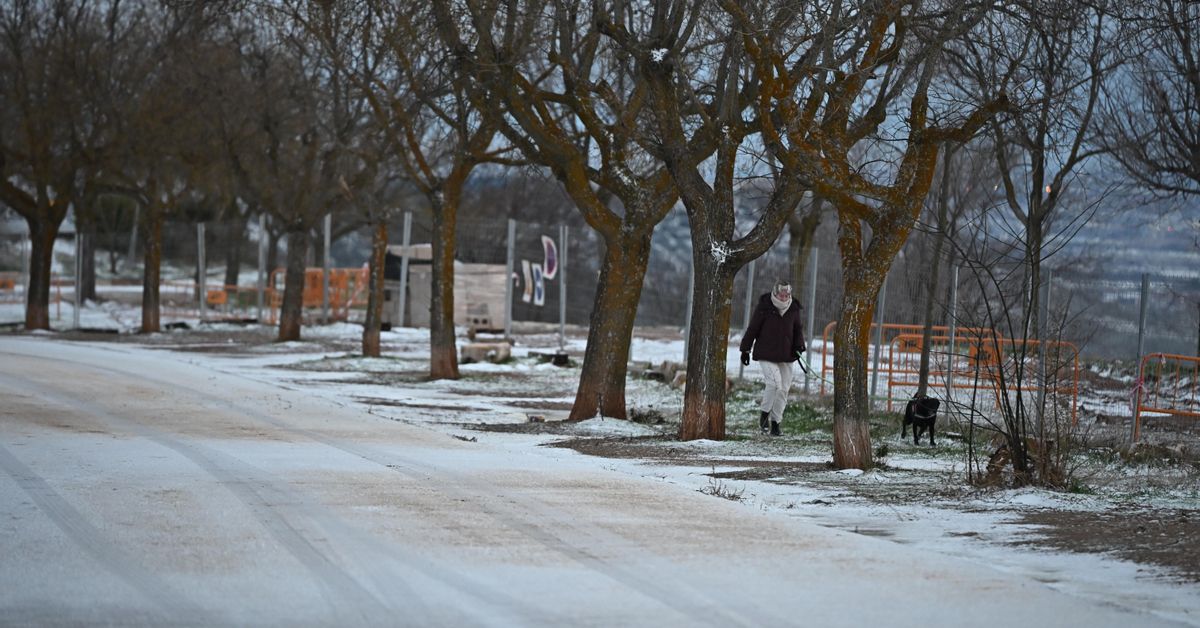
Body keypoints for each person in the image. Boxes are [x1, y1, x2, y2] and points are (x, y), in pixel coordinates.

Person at [739, 280, 806, 436]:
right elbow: (753, 328)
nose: (784, 298)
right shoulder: (765, 306)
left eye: (787, 295)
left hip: (786, 354)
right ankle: (764, 414)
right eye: (781, 295)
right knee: (774, 384)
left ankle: (776, 423)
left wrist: (799, 346)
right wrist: (745, 349)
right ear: (775, 294)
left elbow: (797, 329)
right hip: (766, 352)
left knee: (783, 389)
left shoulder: (793, 308)